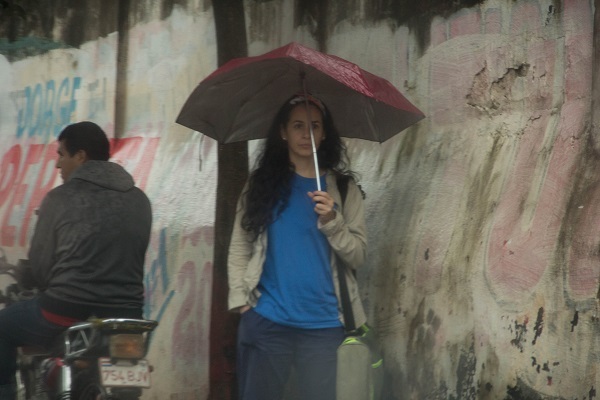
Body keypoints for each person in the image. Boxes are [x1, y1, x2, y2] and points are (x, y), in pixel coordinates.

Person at [228, 94, 367, 400]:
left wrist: (333, 220)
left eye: (315, 126)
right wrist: (244, 304)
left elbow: (357, 256)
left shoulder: (344, 189)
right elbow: (240, 246)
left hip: (326, 326)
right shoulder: (261, 186)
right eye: (298, 126)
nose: (307, 134)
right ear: (283, 132)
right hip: (267, 321)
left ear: (324, 133)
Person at [0, 121, 152, 399]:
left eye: (61, 154)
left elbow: (42, 268)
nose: (58, 165)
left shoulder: (59, 198)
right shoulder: (140, 199)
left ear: (80, 156)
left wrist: (33, 278)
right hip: (126, 317)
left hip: (65, 311)